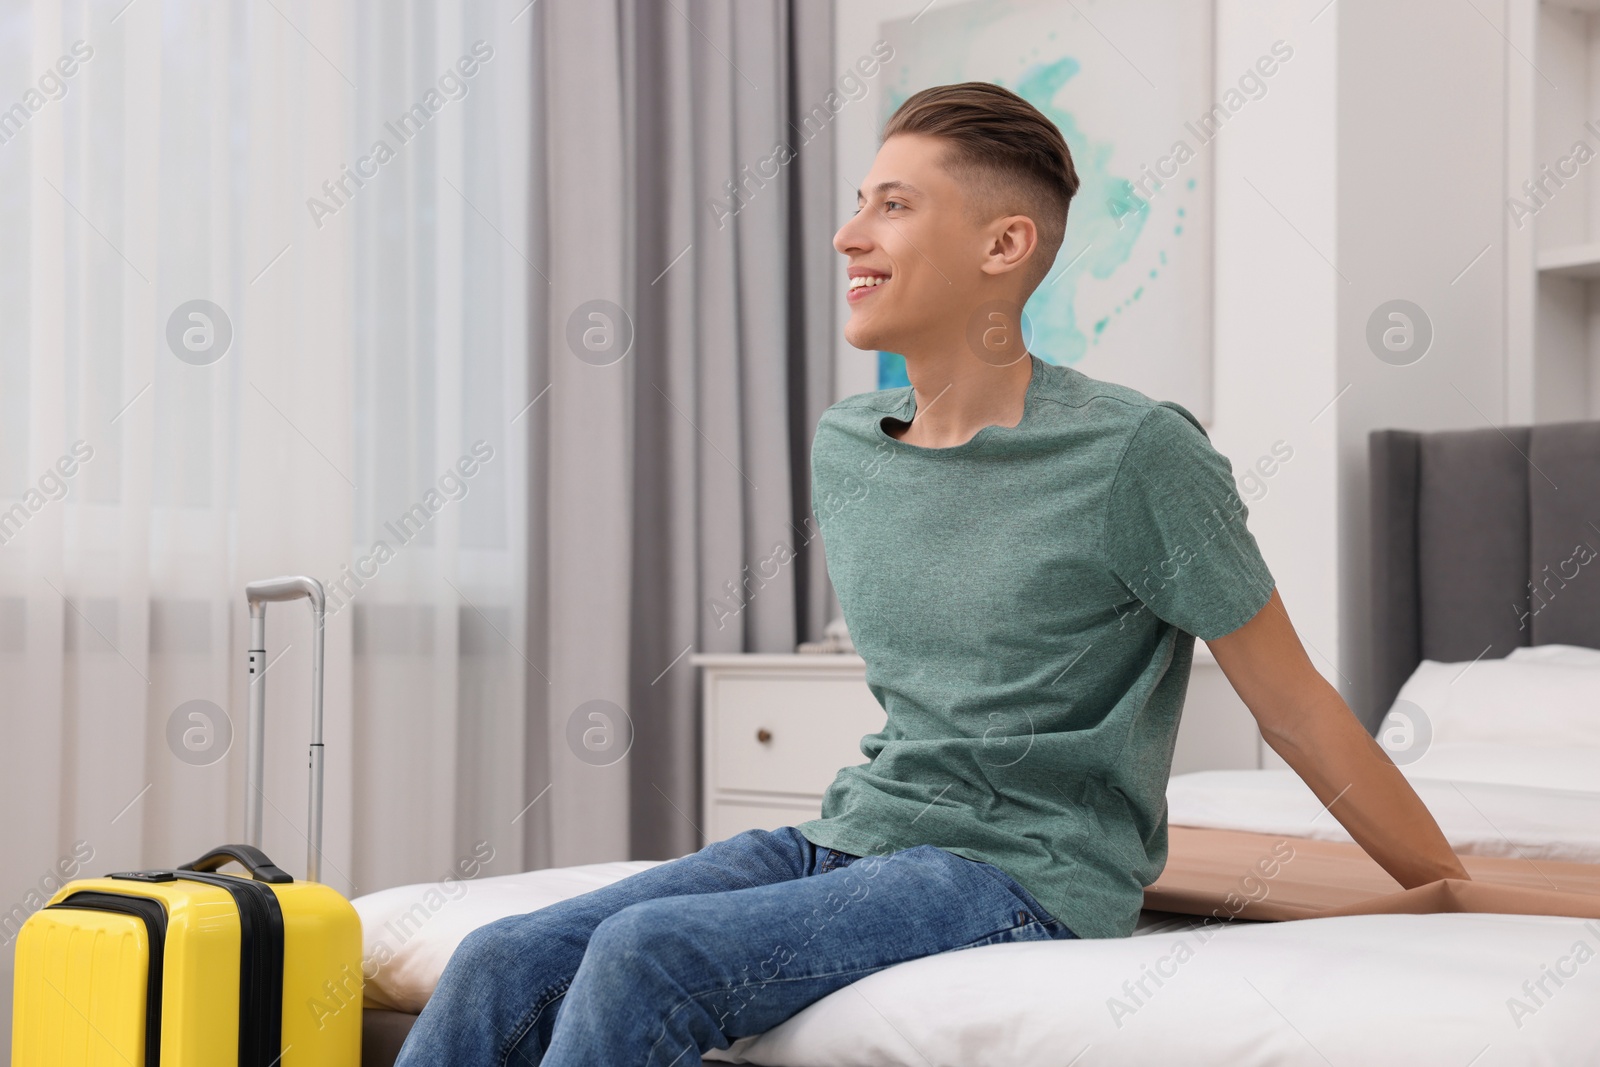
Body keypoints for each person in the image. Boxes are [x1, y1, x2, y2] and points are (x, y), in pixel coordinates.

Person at [395, 80, 1469, 1067]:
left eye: (893, 207)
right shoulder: (849, 444)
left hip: (1020, 869)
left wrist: (1451, 887)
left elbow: (1292, 702)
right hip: (854, 831)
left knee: (647, 953)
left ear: (1004, 243)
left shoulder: (1136, 452)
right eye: (861, 202)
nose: (847, 234)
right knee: (499, 956)